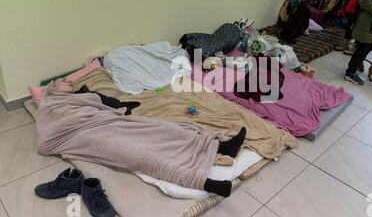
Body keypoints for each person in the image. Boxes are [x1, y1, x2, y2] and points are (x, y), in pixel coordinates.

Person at [36, 78, 248, 198]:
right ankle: (206, 183)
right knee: (139, 155)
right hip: (89, 136)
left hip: (111, 123)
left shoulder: (82, 97)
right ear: (52, 89)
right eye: (64, 81)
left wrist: (117, 107)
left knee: (164, 127)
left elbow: (108, 105)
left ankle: (222, 146)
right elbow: (46, 142)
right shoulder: (49, 105)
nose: (70, 81)